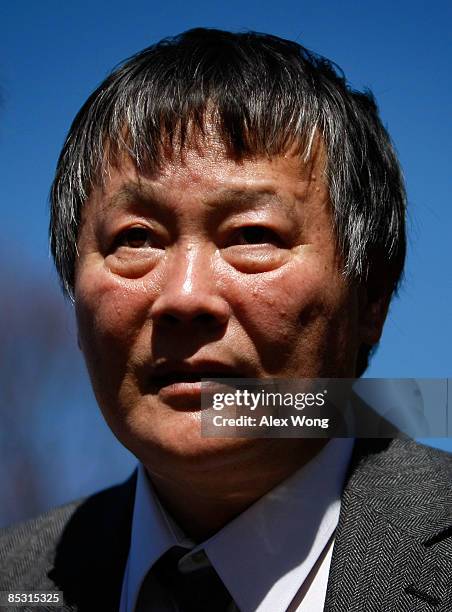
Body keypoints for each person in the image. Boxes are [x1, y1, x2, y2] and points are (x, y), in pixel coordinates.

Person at [1, 28, 451, 612]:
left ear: (372, 300)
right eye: (136, 238)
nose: (185, 298)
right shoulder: (18, 580)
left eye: (252, 236)